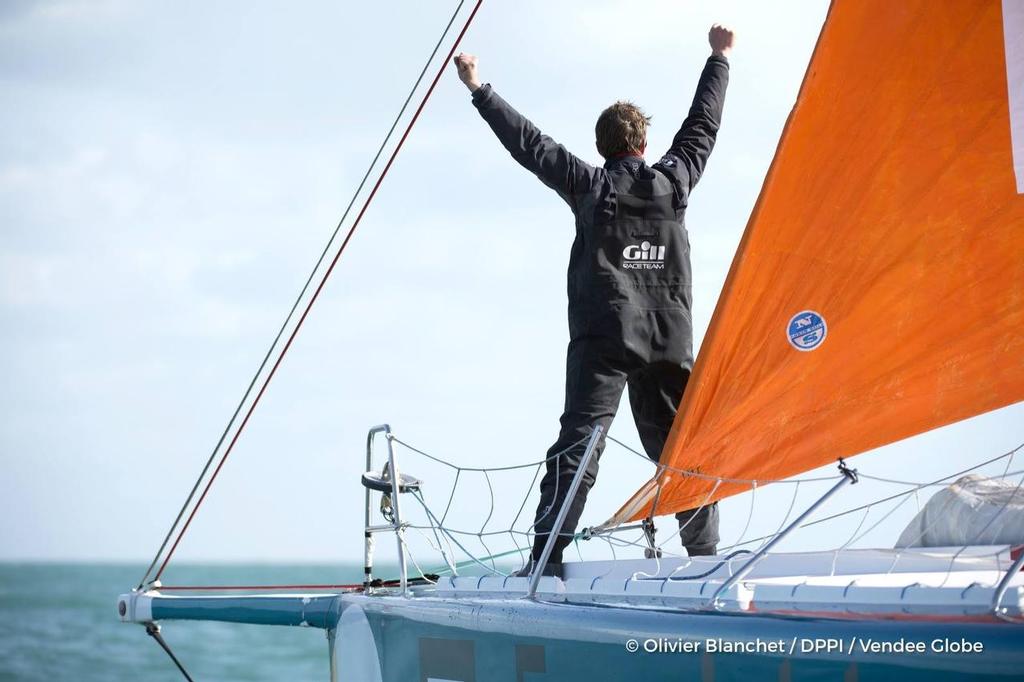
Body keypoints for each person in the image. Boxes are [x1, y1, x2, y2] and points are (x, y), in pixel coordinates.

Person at [453, 24, 734, 575]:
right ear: (643, 146)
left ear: (603, 148)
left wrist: (478, 88)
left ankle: (545, 560)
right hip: (667, 337)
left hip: (604, 339)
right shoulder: (673, 183)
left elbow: (532, 146)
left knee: (580, 448)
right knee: (681, 452)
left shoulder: (590, 185)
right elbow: (703, 127)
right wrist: (719, 57)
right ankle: (705, 562)